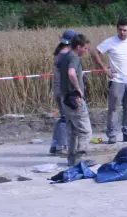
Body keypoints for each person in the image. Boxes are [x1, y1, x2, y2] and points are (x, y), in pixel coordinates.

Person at [93, 18, 127, 144]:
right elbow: (96, 52)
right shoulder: (110, 42)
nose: (122, 32)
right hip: (116, 81)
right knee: (113, 109)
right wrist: (105, 68)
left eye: (125, 30)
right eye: (120, 30)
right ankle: (112, 135)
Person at [55, 33, 92, 166]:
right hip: (74, 99)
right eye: (85, 48)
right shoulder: (74, 58)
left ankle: (71, 160)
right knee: (86, 131)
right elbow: (71, 72)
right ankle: (81, 159)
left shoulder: (63, 56)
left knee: (72, 131)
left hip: (65, 98)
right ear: (78, 47)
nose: (86, 51)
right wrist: (78, 88)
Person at [48, 29, 78, 156]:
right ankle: (61, 146)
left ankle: (55, 144)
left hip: (58, 88)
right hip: (63, 90)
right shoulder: (66, 55)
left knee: (62, 117)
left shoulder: (59, 53)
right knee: (65, 118)